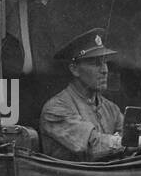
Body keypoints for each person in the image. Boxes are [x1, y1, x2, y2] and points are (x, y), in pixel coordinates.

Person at [40, 28, 126, 161]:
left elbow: (129, 137)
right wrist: (135, 141)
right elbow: (92, 145)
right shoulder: (55, 109)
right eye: (96, 63)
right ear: (74, 69)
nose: (105, 70)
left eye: (105, 63)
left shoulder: (111, 109)